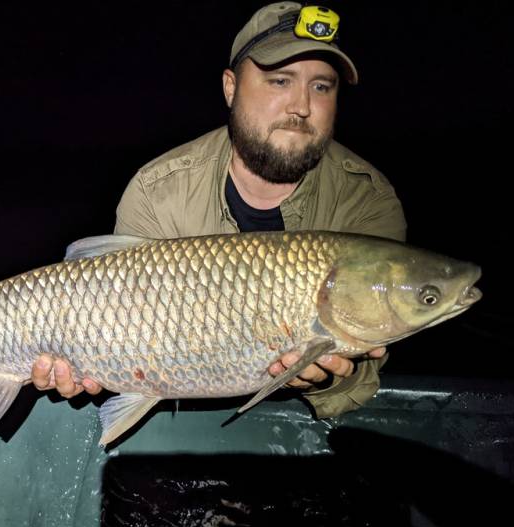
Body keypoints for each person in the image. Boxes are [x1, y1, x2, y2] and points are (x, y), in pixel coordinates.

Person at [31, 2, 406, 419]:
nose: (301, 106)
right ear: (230, 88)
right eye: (280, 80)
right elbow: (130, 347)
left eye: (322, 86)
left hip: (293, 422)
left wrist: (332, 377)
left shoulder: (367, 201)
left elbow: (365, 374)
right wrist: (86, 363)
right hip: (173, 413)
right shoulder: (158, 190)